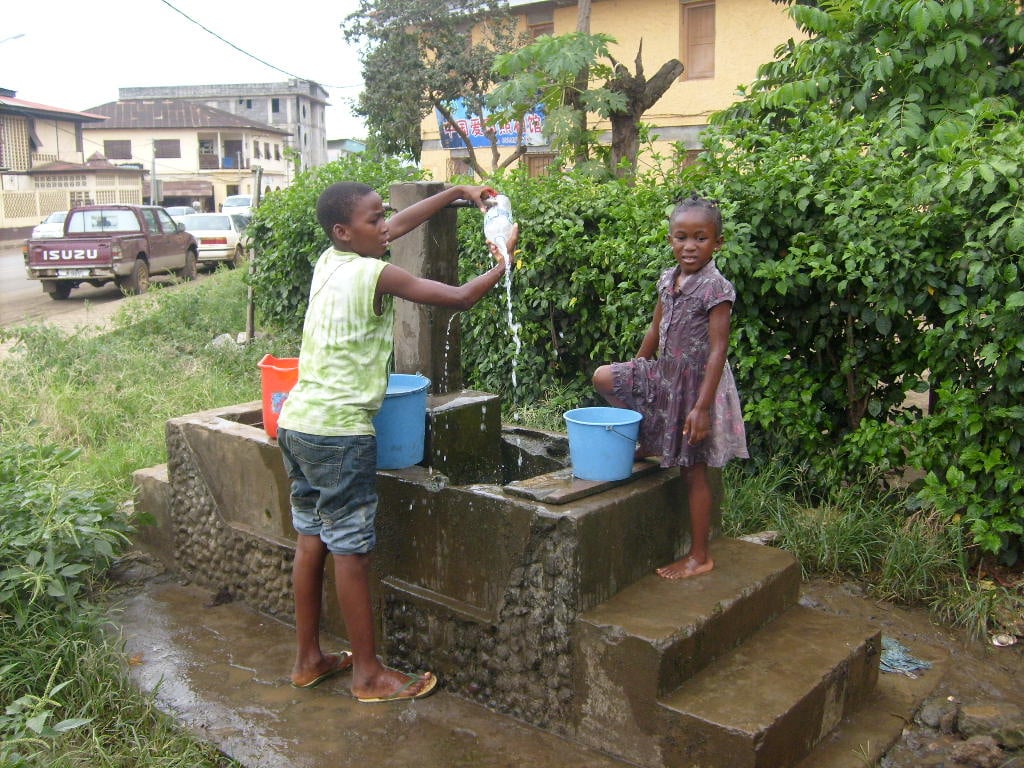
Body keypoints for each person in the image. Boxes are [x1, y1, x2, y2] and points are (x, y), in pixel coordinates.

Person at [277, 181, 516, 700]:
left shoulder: (331, 259)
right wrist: (503, 261)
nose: (385, 225)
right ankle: (368, 675)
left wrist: (455, 192)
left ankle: (308, 659)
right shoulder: (373, 272)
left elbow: (402, 224)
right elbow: (459, 298)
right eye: (373, 220)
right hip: (339, 435)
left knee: (312, 538)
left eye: (383, 215)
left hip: (298, 425)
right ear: (345, 231)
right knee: (352, 552)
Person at [593, 194, 747, 580]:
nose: (690, 246)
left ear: (717, 243)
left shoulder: (717, 289)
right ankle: (650, 441)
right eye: (681, 237)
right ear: (670, 239)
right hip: (664, 373)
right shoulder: (667, 278)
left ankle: (700, 555)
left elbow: (718, 349)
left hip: (697, 386)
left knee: (693, 471)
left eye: (700, 238)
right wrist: (639, 366)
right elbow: (655, 327)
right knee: (606, 377)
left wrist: (702, 407)